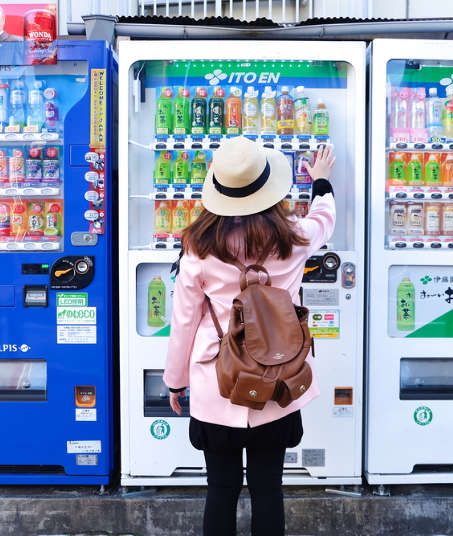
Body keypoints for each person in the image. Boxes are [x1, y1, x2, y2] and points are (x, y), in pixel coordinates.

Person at [164, 136, 336, 536]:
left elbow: (184, 321)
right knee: (268, 489)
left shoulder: (198, 247)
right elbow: (325, 219)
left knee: (220, 489)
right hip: (278, 382)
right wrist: (321, 181)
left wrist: (175, 382)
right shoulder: (293, 238)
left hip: (217, 382)